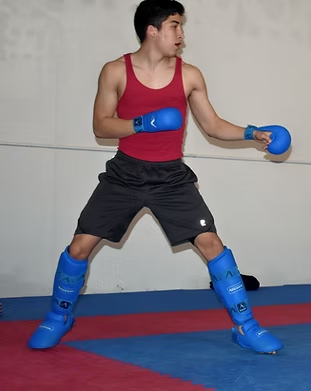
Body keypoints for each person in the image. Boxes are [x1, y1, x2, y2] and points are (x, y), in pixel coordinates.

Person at [28, 0, 285, 355]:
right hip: (125, 173)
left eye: (181, 27)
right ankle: (58, 318)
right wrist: (142, 124)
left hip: (171, 178)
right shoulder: (115, 71)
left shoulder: (190, 75)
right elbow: (101, 125)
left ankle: (247, 326)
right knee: (80, 247)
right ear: (152, 29)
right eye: (175, 26)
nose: (181, 34)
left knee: (212, 244)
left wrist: (252, 132)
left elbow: (212, 126)